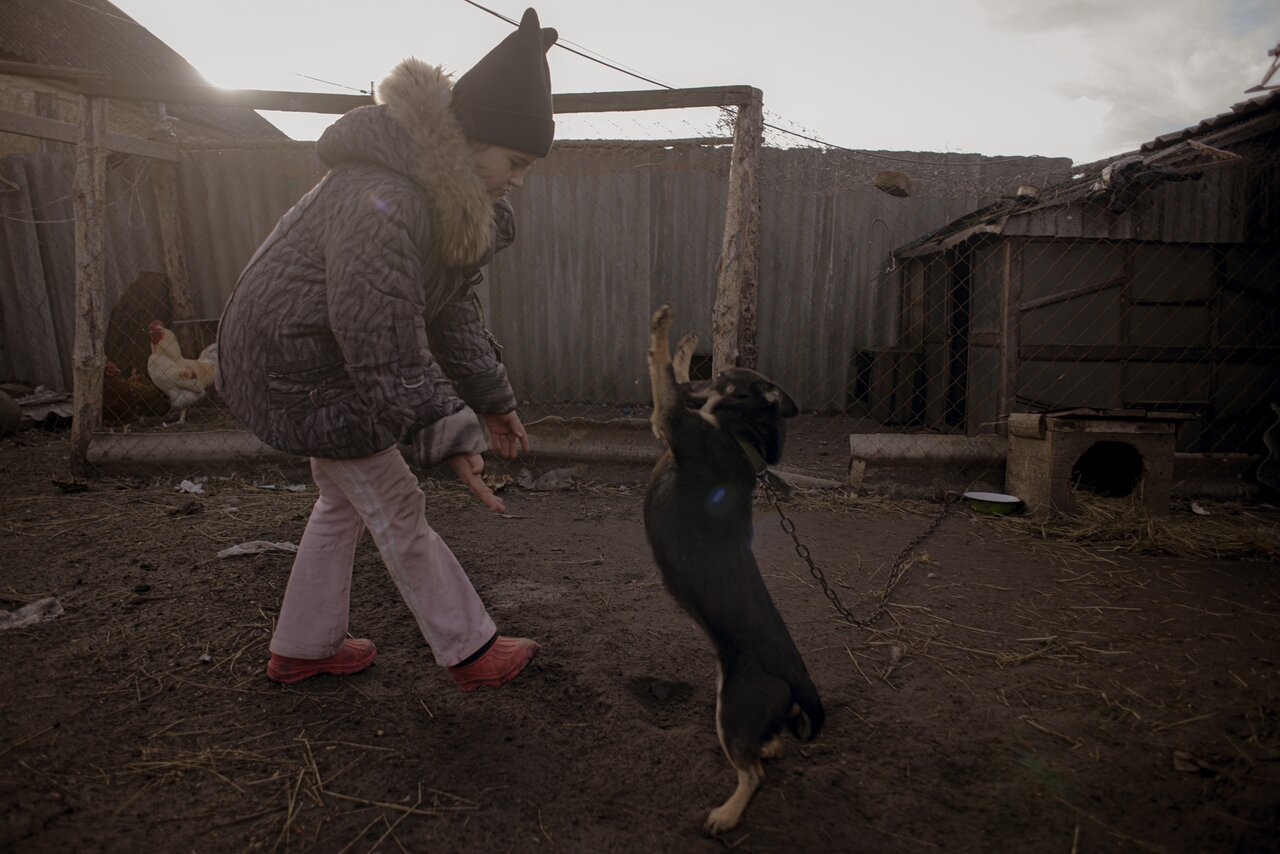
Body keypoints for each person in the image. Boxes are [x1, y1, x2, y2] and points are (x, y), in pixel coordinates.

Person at [215, 8, 558, 691]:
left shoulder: (444, 204)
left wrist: (491, 401)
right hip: (298, 366)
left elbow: (449, 309)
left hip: (319, 358)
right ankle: (469, 649)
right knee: (398, 503)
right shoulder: (384, 195)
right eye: (514, 160)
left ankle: (304, 646)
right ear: (468, 137)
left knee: (342, 503)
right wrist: (446, 433)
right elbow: (380, 333)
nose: (519, 178)